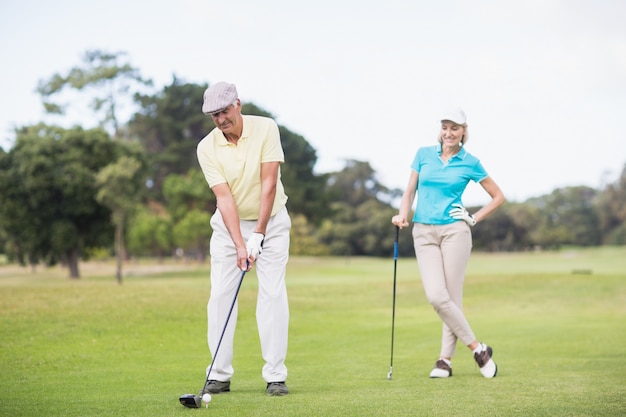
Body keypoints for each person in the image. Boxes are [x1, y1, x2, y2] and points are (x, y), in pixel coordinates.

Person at [391, 107, 505, 379]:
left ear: (464, 131)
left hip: (455, 232)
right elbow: (410, 191)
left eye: (455, 127)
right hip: (423, 232)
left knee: (451, 298)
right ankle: (478, 349)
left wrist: (473, 218)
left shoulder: (470, 162)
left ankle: (444, 360)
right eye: (445, 127)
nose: (449, 133)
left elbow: (498, 196)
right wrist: (402, 214)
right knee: (437, 296)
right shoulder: (423, 155)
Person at [196, 81, 291, 396]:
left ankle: (275, 376)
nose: (221, 120)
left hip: (272, 223)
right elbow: (224, 200)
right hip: (228, 228)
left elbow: (269, 184)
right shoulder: (206, 147)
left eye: (224, 111)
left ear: (237, 104)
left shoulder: (266, 128)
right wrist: (240, 243)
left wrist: (260, 233)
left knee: (273, 295)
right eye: (214, 116)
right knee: (221, 295)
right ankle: (219, 375)